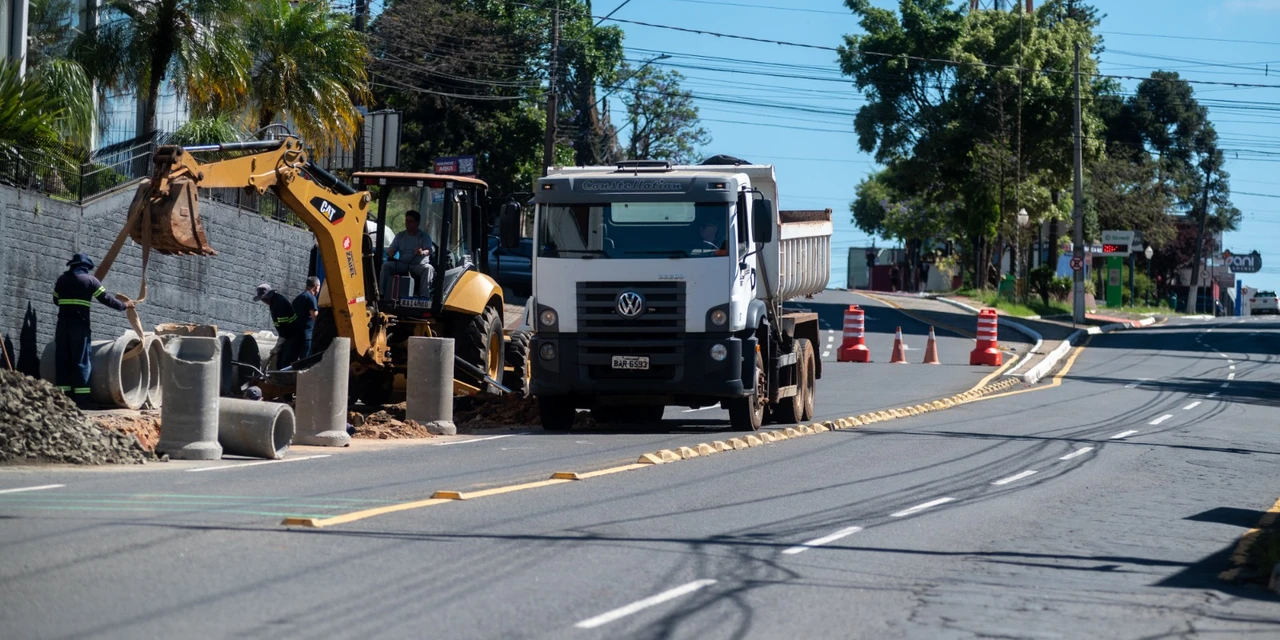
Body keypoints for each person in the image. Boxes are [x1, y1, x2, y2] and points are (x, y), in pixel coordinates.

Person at [53, 253, 133, 408]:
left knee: (62, 361)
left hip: (62, 326)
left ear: (73, 265)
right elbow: (107, 299)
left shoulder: (61, 280)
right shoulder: (90, 281)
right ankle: (82, 401)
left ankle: (61, 401)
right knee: (81, 362)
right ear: (85, 267)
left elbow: (56, 300)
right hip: (80, 327)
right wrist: (125, 305)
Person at [379, 209, 434, 297]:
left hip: (418, 265)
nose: (407, 223)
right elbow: (392, 248)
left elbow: (429, 250)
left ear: (417, 223)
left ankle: (424, 296)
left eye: (411, 221)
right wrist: (391, 251)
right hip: (403, 264)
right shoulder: (400, 236)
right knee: (386, 266)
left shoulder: (424, 236)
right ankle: (381, 294)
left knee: (428, 268)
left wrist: (422, 252)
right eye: (406, 221)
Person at [253, 283, 304, 369]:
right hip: (288, 336)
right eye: (262, 300)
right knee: (279, 362)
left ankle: (286, 381)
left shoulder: (279, 304)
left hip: (294, 336)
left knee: (286, 363)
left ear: (270, 295)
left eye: (264, 299)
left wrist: (278, 345)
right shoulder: (273, 302)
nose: (264, 302)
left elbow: (284, 327)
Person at [292, 276, 321, 360]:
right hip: (306, 337)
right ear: (316, 286)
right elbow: (315, 317)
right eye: (319, 287)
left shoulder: (298, 298)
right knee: (304, 362)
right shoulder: (311, 298)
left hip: (296, 335)